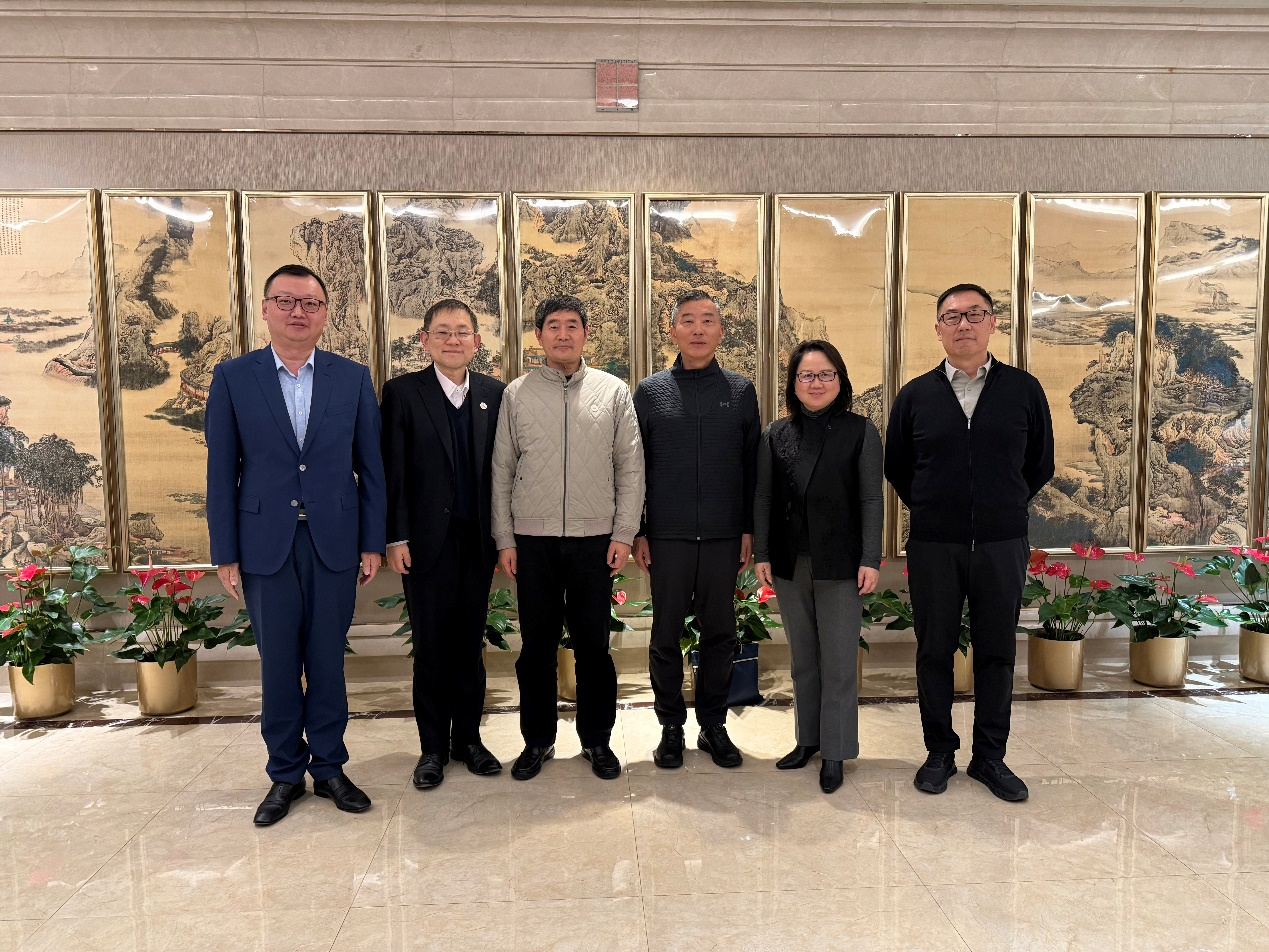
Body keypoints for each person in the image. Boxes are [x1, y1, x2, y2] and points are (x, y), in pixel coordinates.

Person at [206, 263, 386, 826]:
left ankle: (330, 767)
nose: (298, 312)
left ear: (325, 314)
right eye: (285, 301)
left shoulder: (351, 377)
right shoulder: (234, 378)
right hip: (265, 543)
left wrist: (372, 542)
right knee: (279, 664)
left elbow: (371, 468)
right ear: (265, 309)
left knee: (328, 660)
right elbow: (222, 472)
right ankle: (285, 773)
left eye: (310, 303)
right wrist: (225, 552)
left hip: (334, 541)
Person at [884, 282, 1053, 802]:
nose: (964, 324)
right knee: (934, 650)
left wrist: (1001, 505)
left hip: (1002, 542)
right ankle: (939, 752)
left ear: (992, 324)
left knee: (997, 652)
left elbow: (1040, 464)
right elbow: (898, 466)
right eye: (952, 316)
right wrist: (937, 507)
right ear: (938, 329)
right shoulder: (915, 395)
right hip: (935, 543)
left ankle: (990, 758)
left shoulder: (1023, 389)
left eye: (975, 314)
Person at [492, 294, 644, 781]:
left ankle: (597, 740)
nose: (563, 334)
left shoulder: (613, 392)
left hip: (594, 539)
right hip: (532, 541)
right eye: (553, 325)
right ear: (538, 335)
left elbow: (630, 467)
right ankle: (536, 740)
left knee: (594, 647)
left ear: (585, 333)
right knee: (536, 648)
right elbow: (501, 470)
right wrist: (505, 538)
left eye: (572, 325)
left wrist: (624, 532)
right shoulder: (516, 394)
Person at [632, 290, 760, 769]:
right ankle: (670, 727)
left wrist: (748, 529)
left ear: (721, 331)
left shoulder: (741, 390)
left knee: (721, 633)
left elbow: (752, 467)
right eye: (688, 320)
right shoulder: (650, 392)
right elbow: (634, 468)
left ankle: (713, 725)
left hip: (725, 535)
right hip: (668, 535)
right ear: (673, 331)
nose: (698, 329)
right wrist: (640, 530)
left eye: (708, 320)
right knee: (665, 634)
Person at [380, 298, 505, 790]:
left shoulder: (495, 393)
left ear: (477, 340)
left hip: (477, 543)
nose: (453, 339)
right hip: (424, 545)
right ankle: (432, 748)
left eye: (462, 331)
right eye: (442, 331)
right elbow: (393, 472)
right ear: (424, 340)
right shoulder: (402, 393)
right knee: (431, 648)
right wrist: (396, 536)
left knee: (470, 646)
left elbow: (505, 472)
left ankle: (469, 741)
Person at [754, 340, 882, 793]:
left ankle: (836, 751)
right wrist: (762, 553)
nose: (816, 383)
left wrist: (870, 558)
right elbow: (764, 498)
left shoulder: (861, 431)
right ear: (793, 383)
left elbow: (871, 499)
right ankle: (807, 740)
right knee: (803, 659)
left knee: (840, 662)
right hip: (790, 563)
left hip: (842, 564)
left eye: (826, 374)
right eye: (806, 375)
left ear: (840, 380)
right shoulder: (775, 434)